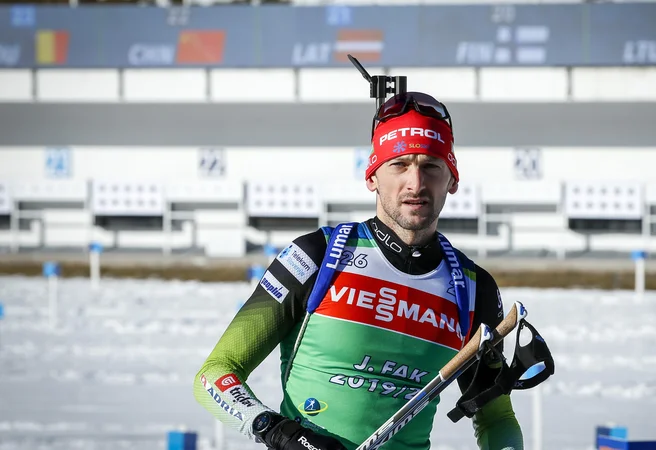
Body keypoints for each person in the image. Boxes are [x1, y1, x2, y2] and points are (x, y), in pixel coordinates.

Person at [194, 91, 526, 450]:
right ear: (372, 176)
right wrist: (276, 430)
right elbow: (214, 375)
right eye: (399, 164)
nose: (415, 183)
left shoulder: (475, 288)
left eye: (430, 165)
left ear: (452, 179)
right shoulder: (317, 255)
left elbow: (495, 418)